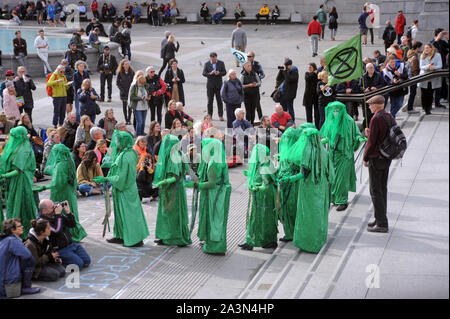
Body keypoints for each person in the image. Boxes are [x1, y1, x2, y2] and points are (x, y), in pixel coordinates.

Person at [93, 131, 150, 247]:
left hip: (125, 190)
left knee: (129, 214)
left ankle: (134, 239)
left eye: (119, 141)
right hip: (124, 189)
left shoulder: (125, 156)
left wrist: (105, 179)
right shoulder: (126, 153)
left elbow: (121, 177)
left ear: (124, 142)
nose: (116, 143)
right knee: (121, 214)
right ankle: (121, 235)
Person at [282, 128, 334, 253]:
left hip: (308, 190)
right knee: (318, 214)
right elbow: (330, 173)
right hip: (321, 189)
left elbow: (303, 174)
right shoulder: (324, 152)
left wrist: (289, 179)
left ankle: (307, 243)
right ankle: (318, 240)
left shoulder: (307, 153)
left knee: (308, 216)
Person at [186, 138, 231, 255]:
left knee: (214, 220)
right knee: (218, 220)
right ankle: (216, 245)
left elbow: (211, 184)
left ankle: (214, 247)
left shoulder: (213, 163)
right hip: (220, 193)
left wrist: (195, 185)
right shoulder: (220, 159)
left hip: (215, 195)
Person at [320, 101, 366, 211]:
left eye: (337, 110)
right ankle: (334, 199)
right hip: (332, 155)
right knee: (333, 178)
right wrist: (320, 142)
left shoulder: (349, 121)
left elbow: (356, 134)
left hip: (345, 155)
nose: (335, 112)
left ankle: (342, 201)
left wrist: (359, 139)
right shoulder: (330, 121)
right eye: (333, 110)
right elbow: (328, 137)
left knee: (342, 179)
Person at [41, 144, 87, 242]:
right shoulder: (69, 161)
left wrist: (44, 187)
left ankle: (68, 234)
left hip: (61, 192)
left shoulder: (61, 164)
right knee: (70, 210)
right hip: (69, 191)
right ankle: (75, 232)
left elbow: (58, 183)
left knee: (60, 211)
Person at [151, 134, 191, 246]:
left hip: (172, 191)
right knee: (171, 214)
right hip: (176, 190)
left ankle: (171, 237)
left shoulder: (174, 157)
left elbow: (175, 177)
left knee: (170, 215)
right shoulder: (179, 153)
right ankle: (166, 236)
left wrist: (162, 182)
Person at [0, 127, 38, 240]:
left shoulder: (23, 150)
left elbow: (18, 170)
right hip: (16, 181)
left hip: (20, 182)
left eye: (13, 136)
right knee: (17, 204)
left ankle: (22, 231)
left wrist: (3, 176)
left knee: (20, 204)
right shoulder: (20, 146)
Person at [239, 144, 278, 250]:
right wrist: (249, 174)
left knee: (259, 218)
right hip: (264, 196)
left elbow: (266, 185)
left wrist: (256, 188)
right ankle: (267, 240)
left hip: (264, 196)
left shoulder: (265, 166)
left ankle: (253, 241)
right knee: (264, 218)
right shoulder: (264, 163)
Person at [363, 95, 392, 233]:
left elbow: (372, 142)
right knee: (382, 189)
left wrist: (365, 156)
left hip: (376, 158)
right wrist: (371, 134)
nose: (369, 107)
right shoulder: (388, 116)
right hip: (386, 157)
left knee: (375, 191)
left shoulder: (376, 118)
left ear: (377, 105)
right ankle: (380, 218)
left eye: (370, 104)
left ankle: (381, 223)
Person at [38, 199, 91, 268]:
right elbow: (57, 231)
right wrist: (58, 215)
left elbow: (72, 225)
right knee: (79, 265)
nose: (55, 208)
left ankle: (70, 257)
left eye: (54, 205)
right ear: (44, 211)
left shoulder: (55, 215)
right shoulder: (42, 221)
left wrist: (68, 212)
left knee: (87, 261)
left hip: (71, 244)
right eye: (52, 207)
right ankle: (56, 262)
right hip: (60, 249)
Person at [276, 126, 304, 242]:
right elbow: (281, 167)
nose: (286, 141)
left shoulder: (299, 152)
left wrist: (289, 179)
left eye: (288, 138)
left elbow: (302, 172)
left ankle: (293, 233)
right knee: (284, 208)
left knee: (291, 208)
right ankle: (289, 232)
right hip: (283, 183)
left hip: (293, 185)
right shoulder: (285, 151)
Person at [0, 218, 40, 298]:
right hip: (9, 286)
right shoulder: (12, 240)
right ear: (12, 230)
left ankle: (23, 286)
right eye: (19, 226)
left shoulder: (4, 240)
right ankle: (25, 287)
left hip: (2, 283)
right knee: (30, 260)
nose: (22, 227)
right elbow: (27, 255)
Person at [418, 43, 443, 115]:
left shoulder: (437, 55)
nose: (426, 49)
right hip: (424, 77)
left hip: (433, 78)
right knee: (424, 94)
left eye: (427, 48)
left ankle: (428, 109)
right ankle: (424, 107)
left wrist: (433, 67)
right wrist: (428, 66)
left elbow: (440, 65)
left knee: (430, 94)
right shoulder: (422, 55)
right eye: (425, 48)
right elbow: (421, 67)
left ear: (431, 48)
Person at [203, 52, 227, 121]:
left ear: (216, 57)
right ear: (210, 58)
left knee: (219, 101)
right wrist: (210, 73)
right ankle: (209, 116)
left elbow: (224, 72)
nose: (213, 59)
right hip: (210, 85)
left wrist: (219, 73)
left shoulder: (221, 63)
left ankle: (220, 115)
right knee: (210, 101)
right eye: (212, 58)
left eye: (215, 58)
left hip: (218, 85)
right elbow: (204, 73)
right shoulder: (207, 64)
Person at [361, 63, 385, 127]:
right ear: (366, 69)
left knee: (375, 112)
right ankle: (367, 126)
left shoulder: (378, 75)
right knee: (367, 113)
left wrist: (376, 87)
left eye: (372, 67)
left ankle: (376, 124)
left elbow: (383, 84)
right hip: (367, 97)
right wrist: (364, 89)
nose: (372, 69)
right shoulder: (363, 76)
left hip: (376, 96)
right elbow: (359, 86)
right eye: (370, 68)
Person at [430, 29, 449, 106]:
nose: (442, 35)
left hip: (443, 64)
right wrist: (437, 39)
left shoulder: (442, 42)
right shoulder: (432, 41)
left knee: (443, 81)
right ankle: (435, 99)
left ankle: (443, 98)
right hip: (435, 65)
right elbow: (430, 47)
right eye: (441, 33)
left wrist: (448, 38)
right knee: (435, 82)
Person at [403, 41, 422, 114]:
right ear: (417, 48)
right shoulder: (414, 56)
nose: (421, 49)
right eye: (420, 47)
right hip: (413, 77)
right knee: (413, 92)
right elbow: (414, 68)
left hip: (410, 76)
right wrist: (416, 77)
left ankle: (409, 107)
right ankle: (410, 108)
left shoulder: (410, 53)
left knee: (412, 92)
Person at [116, 59, 134, 125]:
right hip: (123, 91)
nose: (127, 65)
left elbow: (134, 81)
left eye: (128, 64)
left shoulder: (132, 72)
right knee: (124, 105)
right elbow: (117, 82)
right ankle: (126, 119)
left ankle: (129, 119)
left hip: (130, 91)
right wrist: (122, 90)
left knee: (130, 106)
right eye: (125, 64)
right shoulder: (120, 72)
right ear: (123, 65)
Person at [303, 62, 320, 129]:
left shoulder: (317, 74)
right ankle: (309, 127)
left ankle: (317, 127)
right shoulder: (307, 74)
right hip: (308, 96)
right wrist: (314, 73)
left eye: (310, 67)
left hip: (315, 96)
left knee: (316, 113)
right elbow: (308, 78)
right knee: (308, 113)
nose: (309, 69)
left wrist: (316, 73)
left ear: (314, 68)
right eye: (308, 67)